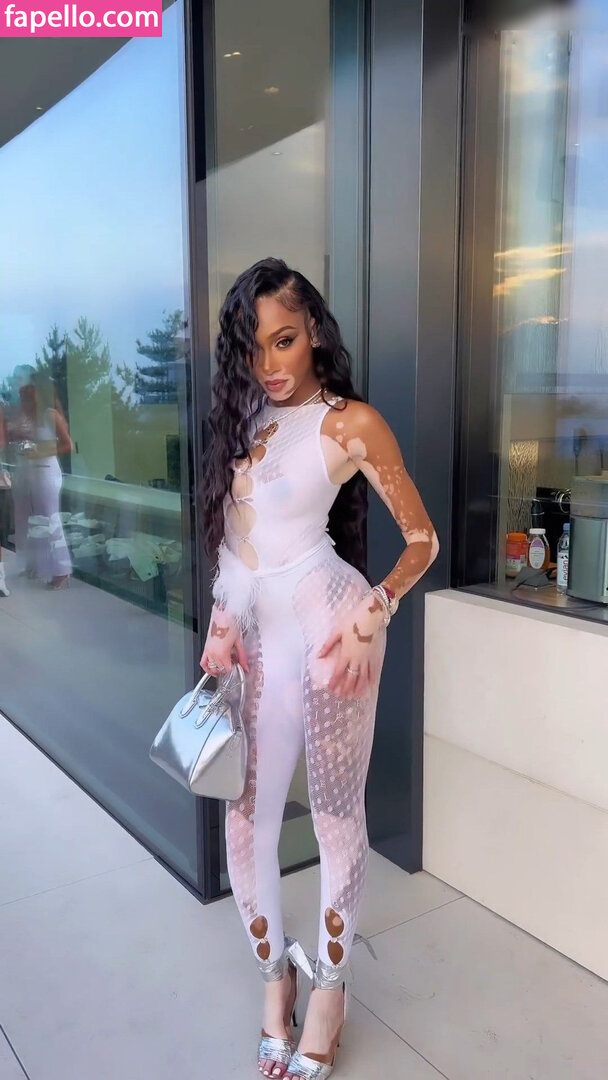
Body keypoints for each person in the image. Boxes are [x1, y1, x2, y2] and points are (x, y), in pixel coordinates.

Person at [200, 257, 439, 1080]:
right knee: (244, 824)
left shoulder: (348, 423)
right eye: (254, 346)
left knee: (336, 818)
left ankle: (329, 995)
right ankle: (277, 986)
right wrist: (220, 623)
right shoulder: (244, 422)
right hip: (256, 642)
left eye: (285, 340)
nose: (270, 363)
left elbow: (423, 541)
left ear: (314, 336)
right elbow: (238, 543)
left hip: (332, 632)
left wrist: (374, 612)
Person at [9, 370, 73, 589]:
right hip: (26, 471)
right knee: (28, 519)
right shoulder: (25, 415)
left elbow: (67, 445)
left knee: (49, 518)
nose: (25, 391)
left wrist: (40, 452)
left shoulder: (50, 414)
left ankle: (61, 570)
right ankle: (37, 564)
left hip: (46, 471)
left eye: (30, 387)